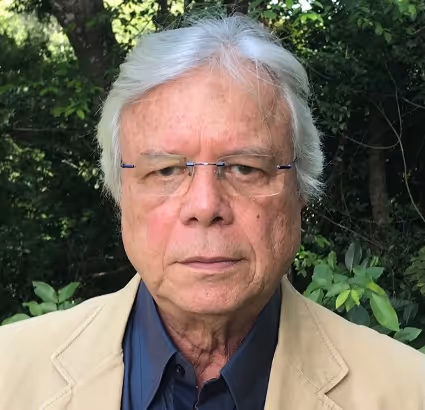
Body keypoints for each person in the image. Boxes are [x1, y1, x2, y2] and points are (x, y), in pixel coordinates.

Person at [0, 14, 424, 410]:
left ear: (301, 190)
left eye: (245, 168)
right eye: (166, 170)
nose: (205, 206)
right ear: (120, 192)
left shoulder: (408, 390)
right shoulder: (10, 372)